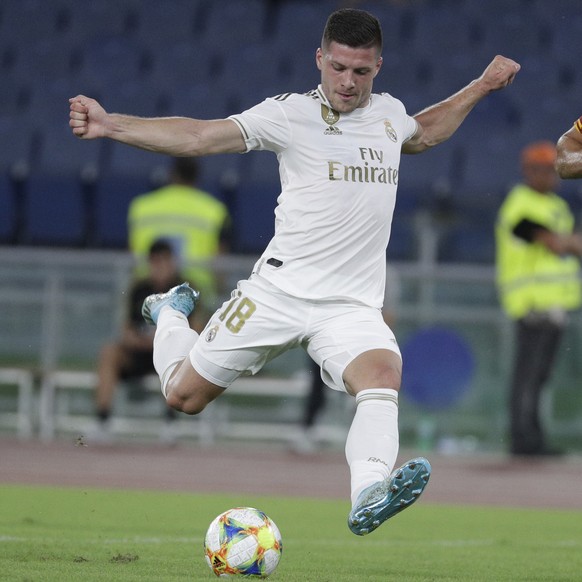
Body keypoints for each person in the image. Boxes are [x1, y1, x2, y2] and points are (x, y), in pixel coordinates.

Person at [69, 8, 519, 535]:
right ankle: (170, 314)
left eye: (361, 72)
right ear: (320, 59)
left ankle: (368, 493)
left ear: (379, 66)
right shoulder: (288, 114)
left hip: (350, 306)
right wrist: (110, 124)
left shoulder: (391, 114)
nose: (348, 82)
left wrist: (482, 86)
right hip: (277, 293)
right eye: (338, 68)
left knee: (382, 377)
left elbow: (424, 133)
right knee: (182, 397)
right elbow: (198, 137)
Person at [495, 141, 582, 457]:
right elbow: (554, 243)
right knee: (528, 377)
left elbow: (565, 242)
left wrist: (568, 242)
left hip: (554, 304)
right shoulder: (519, 204)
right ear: (529, 171)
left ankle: (534, 439)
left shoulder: (556, 206)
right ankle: (523, 441)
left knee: (539, 377)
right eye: (544, 169)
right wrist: (569, 242)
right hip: (531, 304)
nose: (552, 174)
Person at [296, 265, 401, 454]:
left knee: (366, 390)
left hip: (364, 338)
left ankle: (367, 442)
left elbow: (389, 314)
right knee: (318, 383)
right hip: (332, 334)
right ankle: (307, 429)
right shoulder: (341, 264)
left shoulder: (385, 273)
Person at [94, 239, 184, 441]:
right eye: (155, 262)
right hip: (140, 351)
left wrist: (163, 340)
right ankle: (102, 421)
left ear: (172, 262)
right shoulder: (138, 289)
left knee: (176, 355)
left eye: (164, 261)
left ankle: (171, 423)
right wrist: (137, 339)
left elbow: (195, 328)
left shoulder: (184, 290)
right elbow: (126, 328)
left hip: (169, 354)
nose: (160, 267)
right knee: (109, 353)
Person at [128, 156, 232, 325]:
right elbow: (220, 263)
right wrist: (218, 293)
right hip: (195, 291)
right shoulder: (214, 210)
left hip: (147, 286)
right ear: (197, 176)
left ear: (171, 174)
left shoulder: (141, 206)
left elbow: (131, 253)